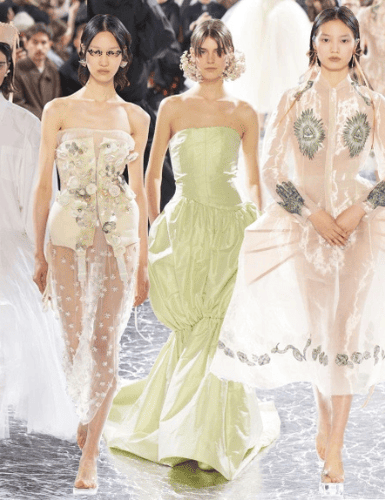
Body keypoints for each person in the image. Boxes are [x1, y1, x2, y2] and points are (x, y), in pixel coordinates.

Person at [210, 7, 385, 495]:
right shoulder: (291, 99)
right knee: (317, 329)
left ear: (356, 45)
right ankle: (323, 416)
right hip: (303, 227)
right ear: (313, 43)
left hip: (356, 230)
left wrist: (358, 211)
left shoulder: (373, 102)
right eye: (325, 39)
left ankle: (338, 446)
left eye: (343, 39)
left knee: (344, 332)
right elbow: (272, 169)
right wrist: (311, 214)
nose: (334, 48)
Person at [104, 19, 280, 478]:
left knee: (216, 326)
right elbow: (150, 174)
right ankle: (186, 427)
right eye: (202, 51)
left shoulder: (243, 112)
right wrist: (155, 227)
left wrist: (259, 228)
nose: (210, 59)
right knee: (193, 327)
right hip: (183, 226)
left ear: (229, 56)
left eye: (218, 51)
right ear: (192, 57)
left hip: (230, 226)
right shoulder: (172, 107)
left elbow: (254, 179)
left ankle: (198, 435)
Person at [0, 17, 76, 486]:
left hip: (8, 249)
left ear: (9, 68)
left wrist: (43, 256)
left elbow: (41, 195)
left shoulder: (26, 126)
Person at [32, 14, 150, 494]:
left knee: (104, 342)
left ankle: (91, 454)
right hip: (65, 235)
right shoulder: (58, 110)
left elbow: (139, 192)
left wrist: (144, 262)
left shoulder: (136, 117)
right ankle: (85, 413)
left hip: (120, 237)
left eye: (112, 52)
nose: (103, 60)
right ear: (83, 54)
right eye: (96, 51)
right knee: (73, 339)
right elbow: (44, 184)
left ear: (124, 58)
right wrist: (37, 253)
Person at [222, 0, 311, 117]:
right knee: (254, 63)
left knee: (281, 65)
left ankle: (274, 116)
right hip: (258, 13)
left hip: (279, 13)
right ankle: (259, 118)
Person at [13, 23, 61, 119]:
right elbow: (17, 104)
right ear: (26, 44)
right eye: (35, 42)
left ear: (50, 45)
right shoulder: (16, 70)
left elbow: (57, 102)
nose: (39, 47)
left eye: (43, 43)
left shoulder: (53, 71)